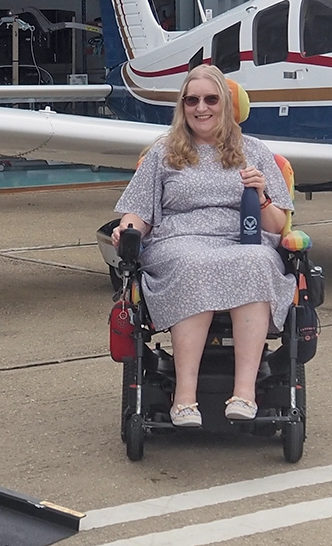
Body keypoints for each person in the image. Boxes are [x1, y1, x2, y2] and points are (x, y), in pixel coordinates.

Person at [111, 64, 294, 428]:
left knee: (258, 260)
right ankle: (184, 398)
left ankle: (245, 394)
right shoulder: (163, 153)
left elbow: (278, 226)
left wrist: (261, 197)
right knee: (193, 262)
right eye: (191, 100)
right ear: (182, 106)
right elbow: (138, 211)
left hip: (241, 241)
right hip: (178, 242)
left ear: (225, 104)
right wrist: (127, 230)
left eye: (211, 99)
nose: (201, 107)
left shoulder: (256, 152)